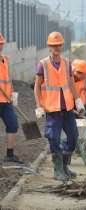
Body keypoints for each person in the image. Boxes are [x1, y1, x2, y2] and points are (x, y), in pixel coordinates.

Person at [34, 31, 85, 181]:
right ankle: (58, 170)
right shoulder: (43, 64)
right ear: (49, 46)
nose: (56, 48)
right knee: (53, 138)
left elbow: (71, 83)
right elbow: (37, 86)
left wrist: (78, 100)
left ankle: (64, 166)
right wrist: (39, 106)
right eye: (53, 45)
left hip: (68, 108)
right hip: (52, 109)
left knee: (73, 138)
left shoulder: (67, 63)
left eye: (59, 45)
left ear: (62, 45)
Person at [0, 33, 22, 164]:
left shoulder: (6, 59)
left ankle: (9, 155)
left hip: (7, 101)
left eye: (1, 43)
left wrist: (13, 94)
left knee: (13, 125)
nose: (0, 46)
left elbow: (8, 79)